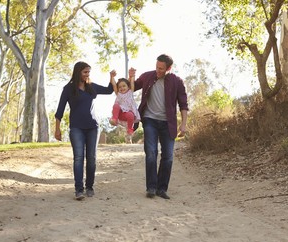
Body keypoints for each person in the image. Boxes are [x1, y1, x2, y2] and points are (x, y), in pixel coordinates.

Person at [130, 54, 188, 199]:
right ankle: (151, 187)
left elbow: (183, 104)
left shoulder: (177, 81)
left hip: (168, 123)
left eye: (161, 68)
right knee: (151, 153)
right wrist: (131, 76)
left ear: (169, 68)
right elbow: (131, 89)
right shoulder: (147, 76)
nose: (158, 70)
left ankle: (162, 189)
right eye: (156, 67)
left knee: (168, 157)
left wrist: (183, 124)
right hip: (149, 120)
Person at [54, 61, 115, 200]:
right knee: (78, 158)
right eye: (85, 72)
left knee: (92, 158)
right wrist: (57, 129)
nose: (87, 75)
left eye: (89, 72)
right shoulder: (68, 89)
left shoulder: (91, 87)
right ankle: (79, 189)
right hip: (76, 128)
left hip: (93, 127)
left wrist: (111, 77)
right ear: (78, 72)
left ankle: (89, 187)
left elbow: (109, 90)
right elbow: (60, 110)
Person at [109, 70, 140, 142]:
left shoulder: (130, 92)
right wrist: (112, 77)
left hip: (127, 114)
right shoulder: (118, 93)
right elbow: (113, 84)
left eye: (124, 86)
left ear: (128, 87)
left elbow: (132, 83)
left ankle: (129, 130)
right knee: (116, 106)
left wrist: (132, 76)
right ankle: (114, 119)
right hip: (120, 113)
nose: (122, 88)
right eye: (119, 87)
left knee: (130, 115)